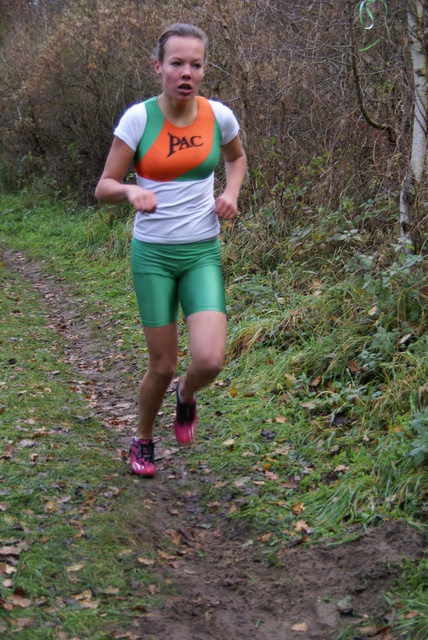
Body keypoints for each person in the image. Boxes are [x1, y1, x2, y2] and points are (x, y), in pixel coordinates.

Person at [95, 23, 247, 478]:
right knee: (161, 365)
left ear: (204, 70)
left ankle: (187, 395)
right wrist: (128, 193)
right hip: (154, 256)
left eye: (195, 65)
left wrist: (232, 193)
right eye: (176, 63)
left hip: (201, 251)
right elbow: (102, 187)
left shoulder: (218, 116)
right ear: (158, 67)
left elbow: (237, 159)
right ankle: (142, 439)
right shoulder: (138, 120)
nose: (186, 73)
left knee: (210, 359)